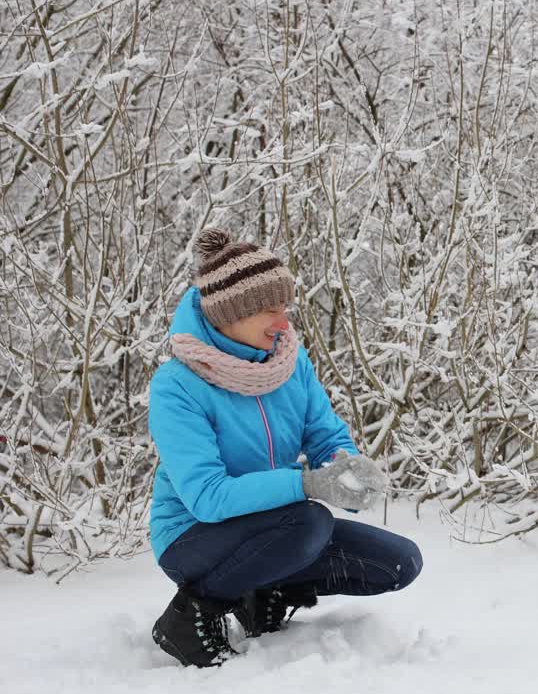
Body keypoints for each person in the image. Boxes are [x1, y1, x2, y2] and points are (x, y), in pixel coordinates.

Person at [147, 228, 421, 667]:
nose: (283, 322)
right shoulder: (177, 387)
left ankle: (263, 591)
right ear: (230, 313)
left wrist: (346, 470)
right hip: (192, 537)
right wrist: (309, 484)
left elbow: (325, 436)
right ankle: (192, 615)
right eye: (269, 310)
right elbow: (207, 497)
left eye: (285, 308)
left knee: (399, 562)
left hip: (277, 527)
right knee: (309, 522)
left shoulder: (290, 363)